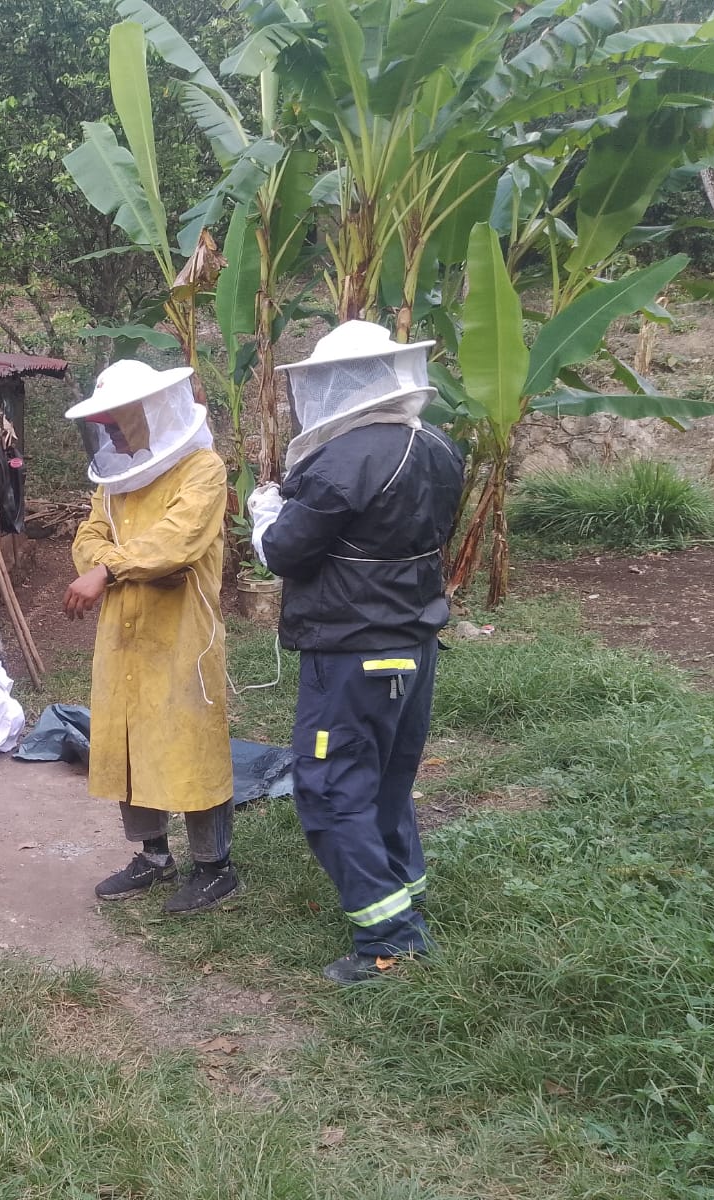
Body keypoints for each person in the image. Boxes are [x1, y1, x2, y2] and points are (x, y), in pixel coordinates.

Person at [247, 320, 465, 984]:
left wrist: (264, 513)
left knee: (330, 788)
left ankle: (389, 940)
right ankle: (404, 895)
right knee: (388, 781)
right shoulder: (438, 446)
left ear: (339, 384)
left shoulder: (344, 460)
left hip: (353, 652)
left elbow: (284, 552)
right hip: (413, 643)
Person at [65, 359, 240, 915]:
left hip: (183, 632)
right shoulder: (114, 479)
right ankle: (153, 855)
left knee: (190, 739)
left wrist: (109, 569)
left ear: (150, 413)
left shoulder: (202, 469)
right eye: (104, 425)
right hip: (124, 632)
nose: (110, 434)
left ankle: (215, 867)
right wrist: (113, 567)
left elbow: (177, 542)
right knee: (128, 736)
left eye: (116, 421)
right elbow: (87, 538)